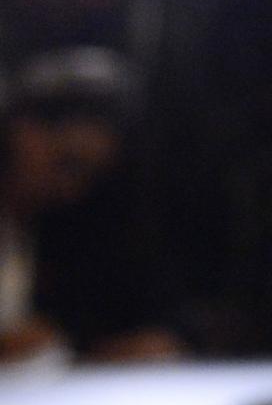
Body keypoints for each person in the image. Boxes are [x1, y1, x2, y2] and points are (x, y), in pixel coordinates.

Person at [0, 49, 181, 364]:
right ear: (23, 130)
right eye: (67, 163)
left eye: (89, 176)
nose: (71, 190)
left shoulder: (54, 231)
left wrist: (99, 350)